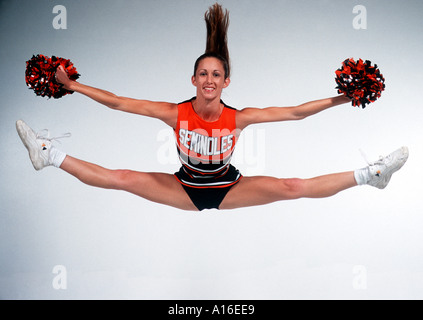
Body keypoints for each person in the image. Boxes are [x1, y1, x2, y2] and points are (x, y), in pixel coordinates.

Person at [16, 3, 409, 212]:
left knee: (294, 187)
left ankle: (372, 174)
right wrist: (72, 85)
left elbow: (294, 112)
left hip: (228, 187)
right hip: (183, 187)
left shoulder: (239, 118)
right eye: (202, 73)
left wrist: (344, 97)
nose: (208, 79)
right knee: (120, 177)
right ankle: (48, 154)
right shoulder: (174, 112)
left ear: (225, 82)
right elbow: (119, 102)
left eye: (215, 74)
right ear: (193, 80)